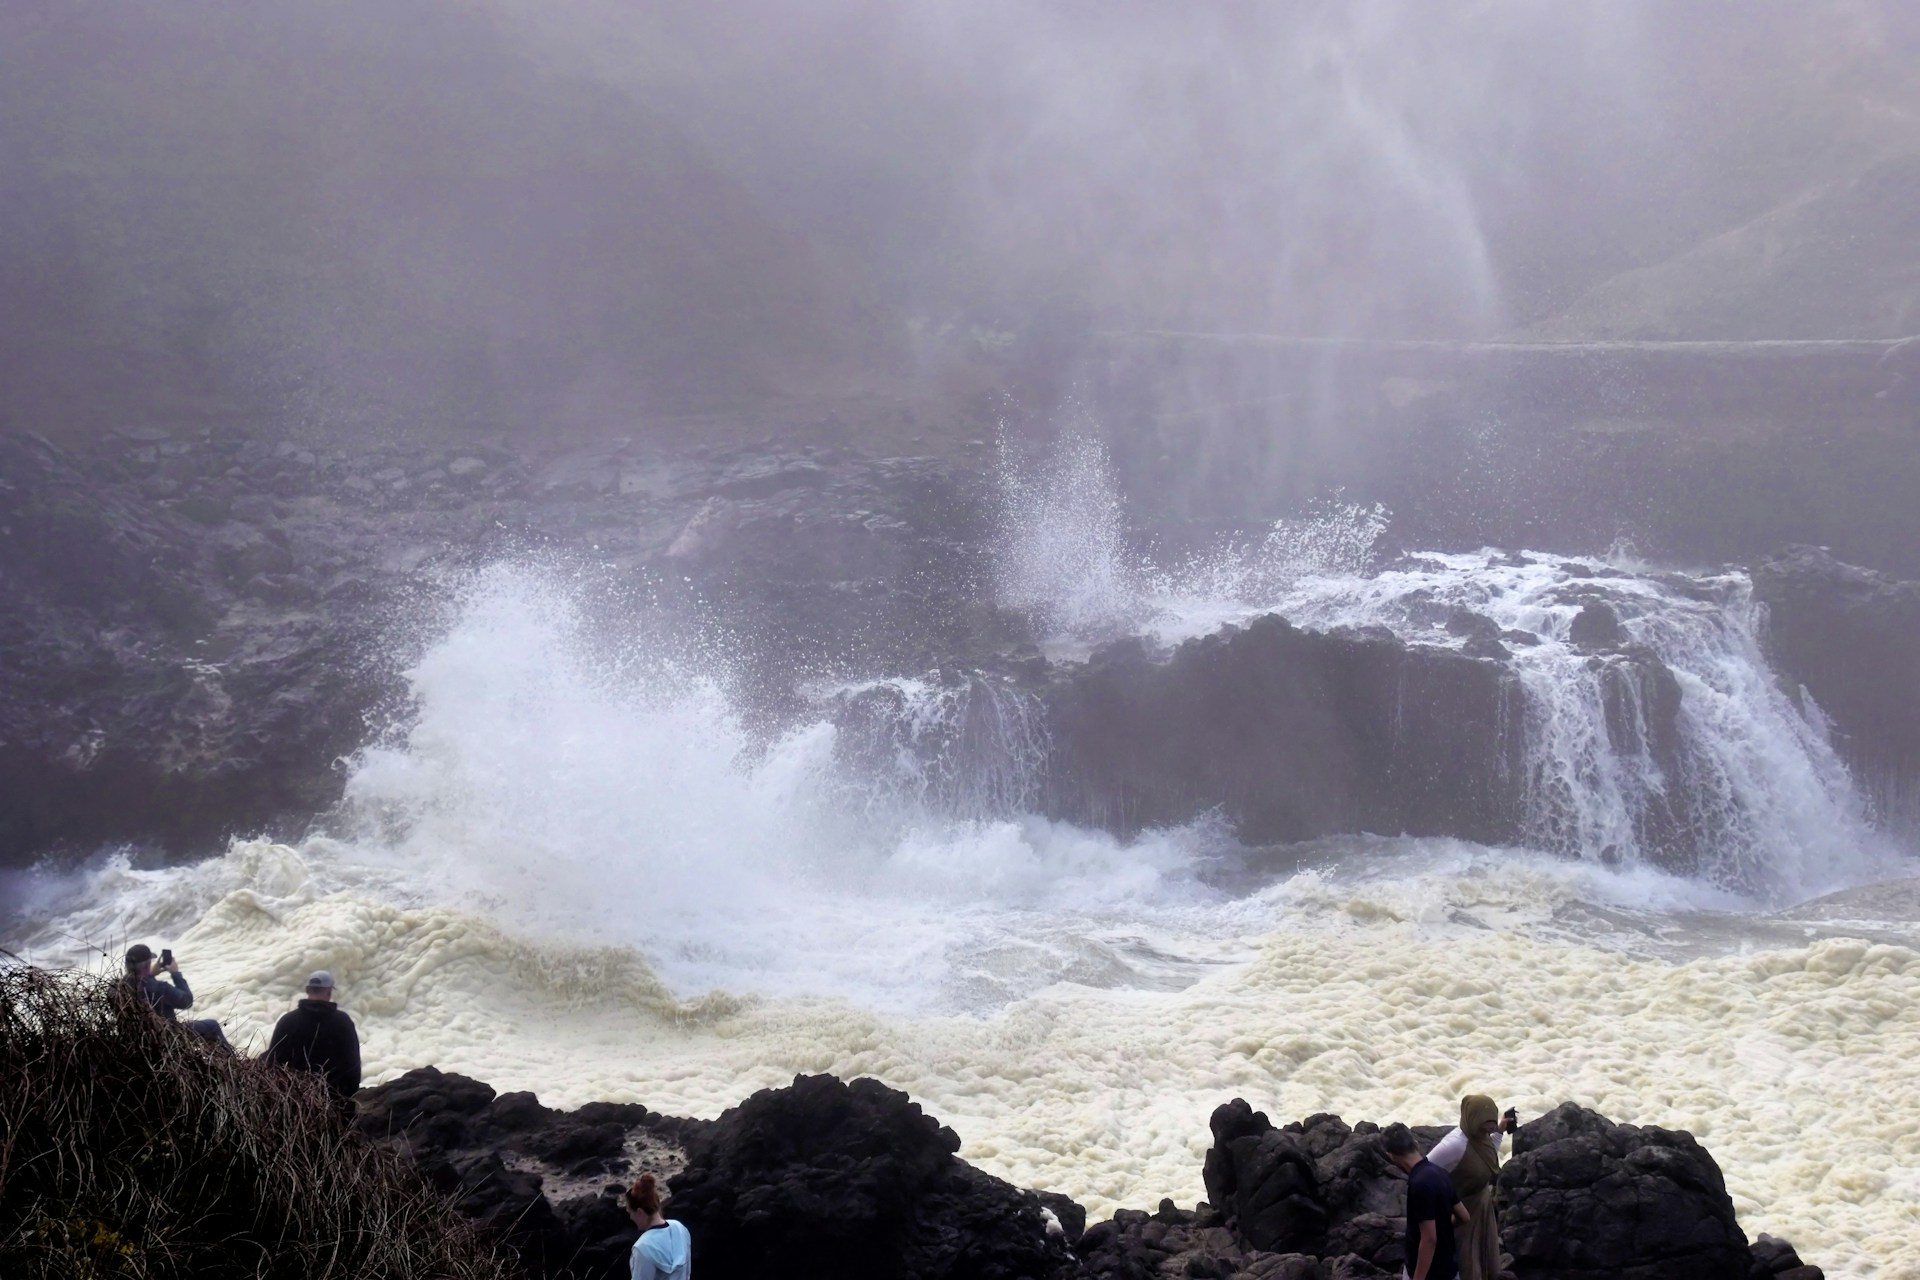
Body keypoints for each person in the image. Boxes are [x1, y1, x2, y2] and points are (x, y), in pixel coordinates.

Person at [1428, 1095, 1516, 1280]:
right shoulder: (1454, 1145)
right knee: (1466, 1260)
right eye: (1486, 1124)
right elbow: (1424, 1171)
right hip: (1462, 1212)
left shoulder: (1480, 1137)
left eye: (1492, 1123)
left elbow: (1487, 1153)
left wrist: (1499, 1131)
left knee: (1486, 1256)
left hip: (1482, 1205)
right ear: (1472, 1120)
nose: (1489, 1128)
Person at [263, 970, 362, 1111]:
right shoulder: (343, 1022)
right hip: (334, 1104)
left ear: (307, 990)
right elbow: (353, 1068)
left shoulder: (287, 1021)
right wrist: (347, 1102)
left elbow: (272, 1064)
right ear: (329, 992)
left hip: (293, 1105)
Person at [1383, 1122, 1469, 1280]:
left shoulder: (1419, 1184)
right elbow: (1464, 1216)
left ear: (1391, 1156)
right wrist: (1443, 1225)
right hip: (1450, 1269)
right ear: (1415, 1144)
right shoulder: (1440, 1173)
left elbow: (1429, 1239)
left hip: (1428, 1273)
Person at [123, 943, 227, 1045]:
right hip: (167, 1037)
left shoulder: (121, 987)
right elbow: (187, 1001)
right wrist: (175, 973)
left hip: (140, 1040)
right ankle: (231, 1060)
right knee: (212, 1026)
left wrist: (151, 974)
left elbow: (141, 984)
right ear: (147, 965)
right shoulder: (160, 988)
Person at [623, 1172, 691, 1280]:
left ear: (640, 1212)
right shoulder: (680, 1229)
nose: (631, 1218)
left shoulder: (643, 1249)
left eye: (630, 1212)